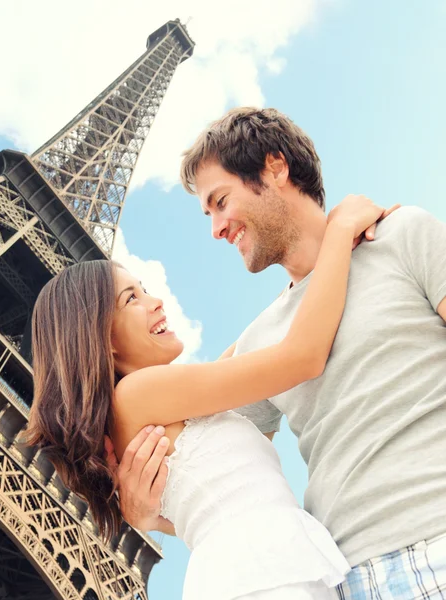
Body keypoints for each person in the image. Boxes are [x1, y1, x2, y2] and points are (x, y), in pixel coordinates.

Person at [113, 107, 446, 600]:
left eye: (220, 201)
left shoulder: (402, 236)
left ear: (275, 168)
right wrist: (148, 515)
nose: (216, 228)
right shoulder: (260, 342)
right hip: (348, 580)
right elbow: (225, 478)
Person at [26, 194, 396, 599]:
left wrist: (313, 266)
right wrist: (340, 232)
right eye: (131, 298)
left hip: (260, 568)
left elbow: (261, 340)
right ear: (102, 339)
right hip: (259, 570)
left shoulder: (167, 403)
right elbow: (300, 356)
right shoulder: (137, 393)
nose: (156, 301)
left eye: (145, 289)